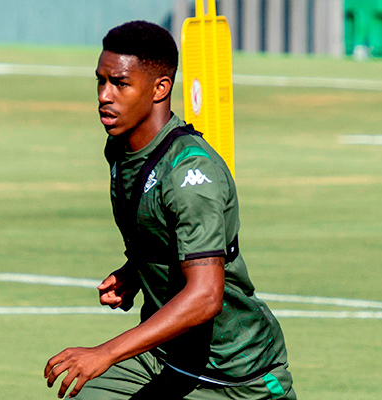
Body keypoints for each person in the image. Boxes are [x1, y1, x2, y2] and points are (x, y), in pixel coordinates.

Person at [43, 21, 296, 400]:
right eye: (100, 81)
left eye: (120, 84)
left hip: (235, 378)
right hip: (166, 357)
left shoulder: (190, 175)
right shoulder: (120, 151)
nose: (104, 95)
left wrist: (106, 352)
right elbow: (166, 234)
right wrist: (137, 270)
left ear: (161, 88)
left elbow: (206, 297)